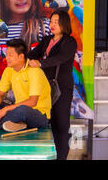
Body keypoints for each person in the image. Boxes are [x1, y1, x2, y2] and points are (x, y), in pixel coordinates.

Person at [0, 38, 51, 132]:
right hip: (17, 109)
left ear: (21, 57)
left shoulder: (34, 71)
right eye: (6, 54)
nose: (6, 58)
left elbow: (32, 102)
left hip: (39, 115)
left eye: (10, 55)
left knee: (21, 110)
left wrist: (6, 109)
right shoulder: (9, 70)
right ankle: (15, 123)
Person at [28, 10, 77, 160]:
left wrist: (40, 63)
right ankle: (50, 154)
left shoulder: (69, 42)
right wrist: (23, 58)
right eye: (51, 21)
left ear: (64, 23)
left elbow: (60, 58)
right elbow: (33, 54)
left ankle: (62, 157)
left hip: (62, 88)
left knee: (61, 124)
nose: (53, 24)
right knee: (48, 122)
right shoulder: (47, 39)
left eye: (56, 21)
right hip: (45, 87)